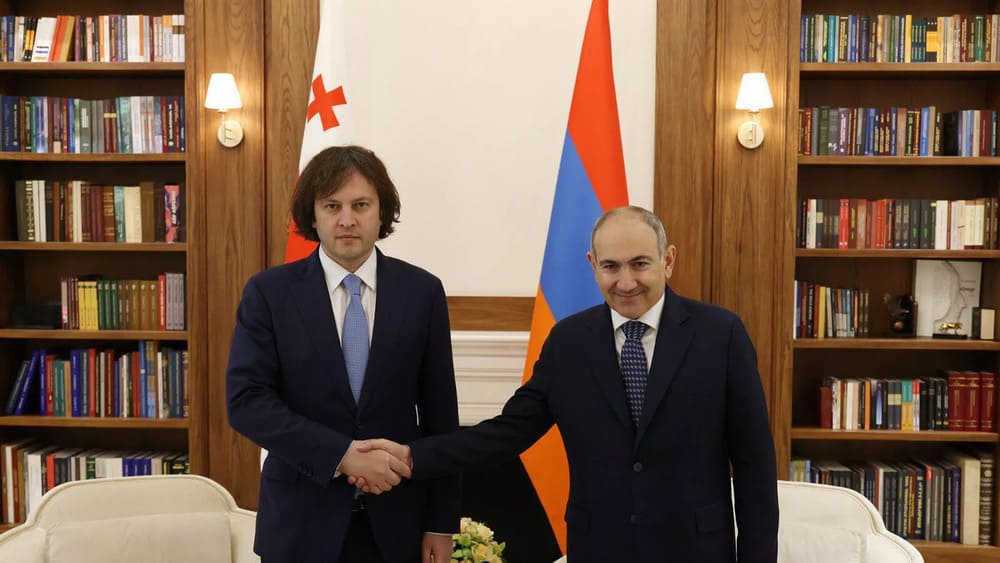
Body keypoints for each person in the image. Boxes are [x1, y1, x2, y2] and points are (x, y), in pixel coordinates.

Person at [354, 206, 779, 563]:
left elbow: (754, 466)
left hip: (695, 550)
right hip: (599, 549)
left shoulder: (720, 335)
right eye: (611, 266)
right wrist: (413, 456)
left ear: (667, 260)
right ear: (592, 265)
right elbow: (507, 433)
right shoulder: (569, 342)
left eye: (640, 264)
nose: (626, 282)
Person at [226, 145, 460, 563]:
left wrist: (441, 523)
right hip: (299, 525)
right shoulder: (269, 294)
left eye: (361, 205)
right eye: (332, 206)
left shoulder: (422, 292)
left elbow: (441, 417)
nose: (347, 219)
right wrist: (340, 456)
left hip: (398, 525)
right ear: (313, 215)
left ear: (382, 213)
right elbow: (247, 403)